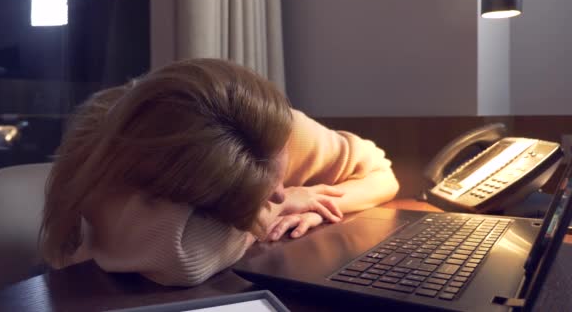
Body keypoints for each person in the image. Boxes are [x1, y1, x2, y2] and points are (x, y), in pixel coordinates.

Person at [40, 58, 399, 286]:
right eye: (260, 189)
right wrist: (279, 206)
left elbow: (382, 174)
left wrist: (313, 201)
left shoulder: (274, 129)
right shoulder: (109, 173)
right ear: (178, 189)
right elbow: (180, 261)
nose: (277, 191)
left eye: (279, 171)